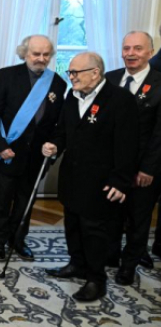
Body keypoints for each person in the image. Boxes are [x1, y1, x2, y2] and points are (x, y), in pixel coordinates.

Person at [43, 52, 138, 302]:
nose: (71, 77)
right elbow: (62, 130)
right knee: (72, 224)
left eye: (76, 72)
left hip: (101, 182)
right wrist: (54, 145)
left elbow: (128, 145)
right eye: (70, 72)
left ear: (95, 73)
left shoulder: (119, 100)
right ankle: (77, 264)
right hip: (72, 177)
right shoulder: (71, 96)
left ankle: (96, 279)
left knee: (94, 232)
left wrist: (120, 180)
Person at [0, 35, 66, 262]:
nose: (41, 59)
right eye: (36, 54)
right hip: (7, 152)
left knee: (25, 201)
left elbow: (60, 124)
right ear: (24, 53)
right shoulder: (6, 75)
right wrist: (0, 146)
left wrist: (54, 146)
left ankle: (18, 240)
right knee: (0, 201)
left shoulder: (58, 83)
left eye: (46, 54)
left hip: (36, 158)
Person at [105, 32, 161, 284]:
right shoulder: (109, 79)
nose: (131, 53)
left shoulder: (159, 83)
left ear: (150, 52)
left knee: (138, 219)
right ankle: (110, 255)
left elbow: (160, 133)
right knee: (111, 215)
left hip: (142, 169)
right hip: (112, 166)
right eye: (126, 48)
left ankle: (129, 265)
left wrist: (148, 168)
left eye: (138, 48)